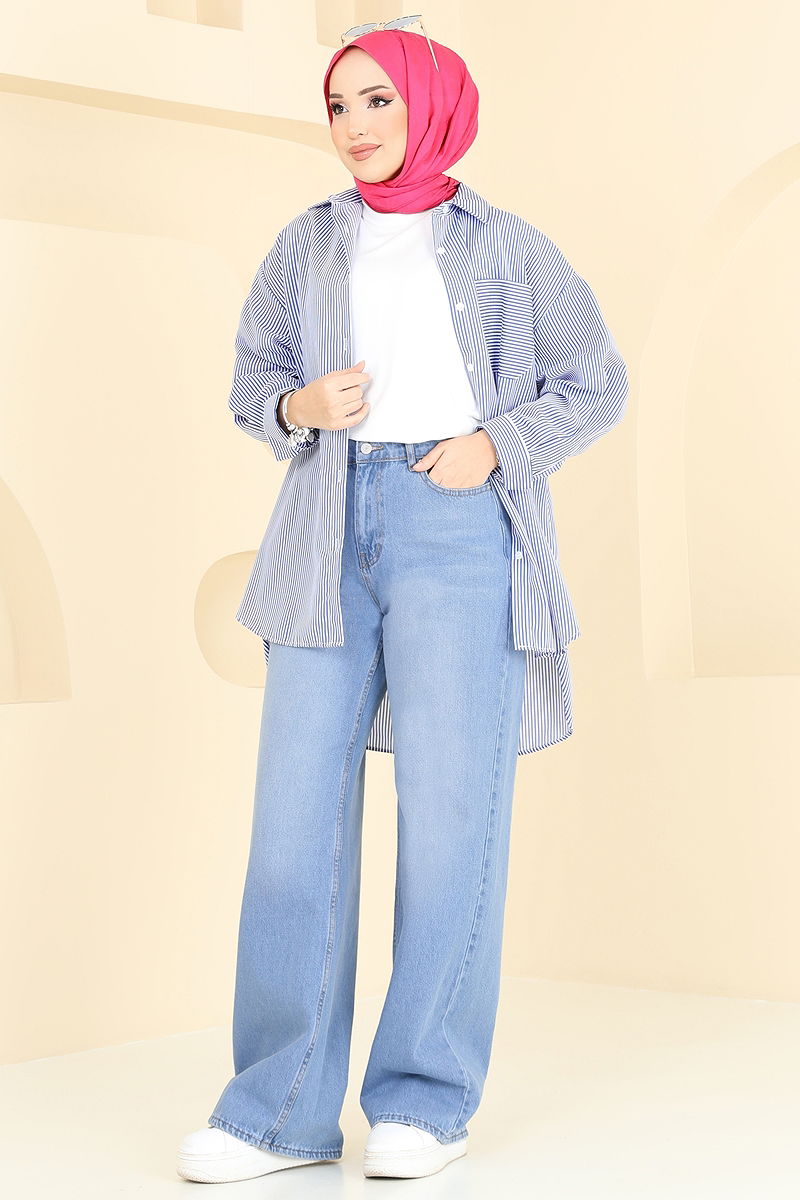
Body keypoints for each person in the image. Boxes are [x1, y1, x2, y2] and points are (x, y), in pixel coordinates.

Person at [176, 23, 628, 1185]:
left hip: (458, 529)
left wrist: (495, 444)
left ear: (429, 104)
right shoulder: (305, 243)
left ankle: (425, 1098)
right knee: (292, 829)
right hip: (324, 527)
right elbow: (252, 382)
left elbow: (593, 382)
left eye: (377, 99)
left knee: (449, 824)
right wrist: (298, 409)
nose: (355, 125)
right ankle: (275, 1111)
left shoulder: (506, 248)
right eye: (337, 105)